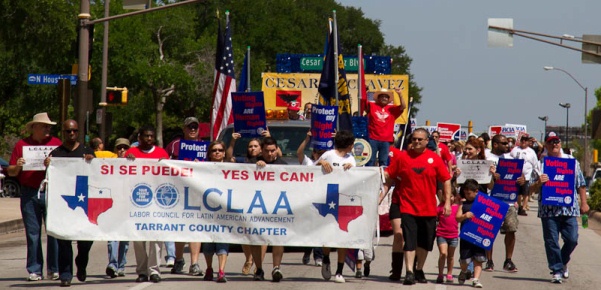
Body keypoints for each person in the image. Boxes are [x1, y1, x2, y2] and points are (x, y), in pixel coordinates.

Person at [383, 128, 452, 285]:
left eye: (420, 139)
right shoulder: (402, 158)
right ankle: (408, 272)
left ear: (427, 141)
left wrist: (447, 202)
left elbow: (446, 179)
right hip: (408, 208)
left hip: (428, 208)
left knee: (425, 243)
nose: (417, 142)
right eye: (414, 139)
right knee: (410, 240)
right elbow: (389, 175)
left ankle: (419, 269)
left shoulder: (434, 159)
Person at [8, 112, 61, 281]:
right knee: (33, 233)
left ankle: (54, 269)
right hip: (29, 191)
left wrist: (54, 164)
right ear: (35, 127)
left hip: (51, 190)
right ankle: (35, 269)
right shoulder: (21, 145)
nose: (48, 129)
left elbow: (66, 167)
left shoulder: (56, 144)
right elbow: (10, 171)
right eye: (45, 126)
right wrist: (18, 166)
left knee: (53, 232)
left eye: (49, 126)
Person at [532, 132, 588, 284]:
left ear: (560, 143)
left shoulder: (572, 162)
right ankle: (557, 270)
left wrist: (584, 202)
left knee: (572, 239)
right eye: (550, 142)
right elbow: (529, 189)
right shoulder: (541, 164)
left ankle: (562, 261)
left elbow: (581, 184)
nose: (554, 144)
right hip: (548, 210)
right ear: (546, 145)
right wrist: (538, 183)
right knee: (551, 241)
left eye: (556, 141)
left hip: (569, 209)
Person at [44, 119, 95, 287]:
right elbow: (50, 177)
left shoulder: (87, 151)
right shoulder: (56, 153)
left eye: (74, 131)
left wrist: (92, 160)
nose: (71, 134)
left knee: (85, 241)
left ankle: (81, 263)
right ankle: (65, 274)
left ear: (78, 132)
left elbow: (98, 174)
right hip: (64, 204)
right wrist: (48, 166)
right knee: (63, 240)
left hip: (83, 203)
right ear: (63, 133)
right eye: (68, 131)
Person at [125, 125, 169, 283]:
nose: (149, 139)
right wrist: (126, 160)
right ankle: (142, 271)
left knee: (156, 238)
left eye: (151, 136)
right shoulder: (132, 154)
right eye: (146, 136)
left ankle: (154, 270)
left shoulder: (161, 153)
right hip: (137, 202)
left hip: (157, 203)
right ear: (139, 138)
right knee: (138, 239)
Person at [314, 130, 356, 283]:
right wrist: (321, 163)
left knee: (342, 237)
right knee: (328, 235)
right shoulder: (328, 154)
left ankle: (339, 271)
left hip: (343, 201)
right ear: (350, 144)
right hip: (328, 199)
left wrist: (351, 168)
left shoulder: (351, 158)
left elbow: (357, 175)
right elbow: (312, 168)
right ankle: (325, 258)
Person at [164, 117, 203, 276]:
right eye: (189, 127)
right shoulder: (174, 145)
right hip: (178, 191)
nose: (192, 130)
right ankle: (179, 259)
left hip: (197, 192)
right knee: (180, 227)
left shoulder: (204, 146)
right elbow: (164, 163)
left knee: (194, 228)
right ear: (184, 128)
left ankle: (194, 263)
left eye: (195, 127)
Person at [485, 134, 524, 273]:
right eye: (503, 143)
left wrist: (521, 180)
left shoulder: (510, 159)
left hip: (508, 201)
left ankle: (508, 260)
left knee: (511, 229)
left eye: (507, 143)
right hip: (491, 199)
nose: (507, 146)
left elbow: (520, 176)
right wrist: (490, 175)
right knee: (489, 230)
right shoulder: (486, 157)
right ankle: (489, 260)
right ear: (495, 144)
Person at [252, 137, 287, 282]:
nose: (270, 154)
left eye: (272, 151)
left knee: (278, 237)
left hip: (277, 208)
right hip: (257, 208)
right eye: (266, 151)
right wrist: (257, 166)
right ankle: (259, 269)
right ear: (261, 150)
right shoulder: (252, 164)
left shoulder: (283, 165)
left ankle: (276, 268)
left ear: (277, 150)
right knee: (256, 239)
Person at [200, 141, 231, 282]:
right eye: (214, 150)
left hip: (225, 211)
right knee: (207, 244)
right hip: (207, 211)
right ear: (209, 153)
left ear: (224, 153)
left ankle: (221, 271)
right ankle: (209, 268)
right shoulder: (202, 168)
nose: (217, 152)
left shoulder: (232, 169)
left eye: (220, 150)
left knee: (222, 242)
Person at [296, 131, 325, 267]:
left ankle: (318, 256)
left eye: (322, 152)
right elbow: (299, 153)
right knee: (309, 230)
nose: (319, 154)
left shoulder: (327, 164)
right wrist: (307, 139)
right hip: (307, 201)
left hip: (322, 201)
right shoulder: (308, 163)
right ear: (313, 153)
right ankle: (307, 252)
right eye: (317, 152)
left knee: (319, 229)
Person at [105, 138, 131, 278]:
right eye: (119, 148)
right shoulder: (109, 163)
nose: (122, 150)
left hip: (127, 204)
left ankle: (121, 266)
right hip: (112, 204)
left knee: (125, 238)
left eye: (124, 148)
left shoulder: (134, 162)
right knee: (112, 236)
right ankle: (112, 264)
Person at [364, 88, 406, 166]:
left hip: (386, 140)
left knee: (383, 162)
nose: (384, 98)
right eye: (382, 96)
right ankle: (369, 178)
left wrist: (400, 94)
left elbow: (403, 106)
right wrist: (364, 92)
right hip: (372, 138)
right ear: (378, 98)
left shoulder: (392, 109)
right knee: (370, 161)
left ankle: (383, 178)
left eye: (386, 97)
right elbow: (363, 103)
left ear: (389, 99)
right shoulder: (372, 105)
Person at [456, 179, 486, 288]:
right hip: (466, 237)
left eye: (469, 193)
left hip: (479, 236)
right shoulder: (463, 204)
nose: (467, 195)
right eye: (465, 193)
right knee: (464, 260)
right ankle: (464, 271)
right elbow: (457, 218)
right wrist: (464, 216)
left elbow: (492, 214)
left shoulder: (483, 203)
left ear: (476, 191)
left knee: (479, 259)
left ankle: (476, 279)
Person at [510, 134, 539, 216]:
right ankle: (519, 206)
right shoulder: (515, 149)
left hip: (526, 176)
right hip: (516, 175)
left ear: (528, 142)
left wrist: (537, 174)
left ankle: (523, 207)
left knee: (525, 193)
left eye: (526, 140)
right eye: (522, 139)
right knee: (518, 193)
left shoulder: (531, 152)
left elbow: (535, 164)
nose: (523, 141)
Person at [435, 190, 460, 284]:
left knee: (451, 256)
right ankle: (440, 274)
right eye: (446, 196)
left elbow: (461, 217)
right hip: (441, 235)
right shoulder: (440, 207)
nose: (449, 198)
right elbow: (434, 216)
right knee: (443, 254)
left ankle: (449, 273)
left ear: (455, 197)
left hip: (453, 236)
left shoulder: (457, 208)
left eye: (451, 196)